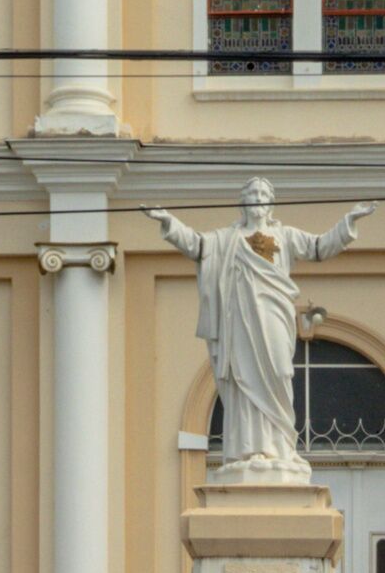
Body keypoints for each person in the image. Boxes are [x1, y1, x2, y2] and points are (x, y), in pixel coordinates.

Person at [143, 176, 372, 480]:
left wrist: (349, 222)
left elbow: (319, 247)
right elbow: (197, 245)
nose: (258, 198)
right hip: (240, 321)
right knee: (244, 381)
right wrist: (168, 222)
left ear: (271, 202)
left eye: (263, 193)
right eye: (252, 193)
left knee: (278, 373)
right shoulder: (227, 239)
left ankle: (281, 447)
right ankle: (249, 449)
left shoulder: (285, 236)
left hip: (274, 315)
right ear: (243, 202)